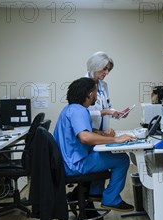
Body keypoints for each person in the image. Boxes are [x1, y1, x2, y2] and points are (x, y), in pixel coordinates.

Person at [53, 77, 135, 212]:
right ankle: (111, 199)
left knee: (103, 153)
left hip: (66, 162)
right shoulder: (79, 111)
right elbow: (85, 137)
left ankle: (95, 192)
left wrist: (102, 134)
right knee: (122, 159)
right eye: (96, 92)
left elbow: (84, 132)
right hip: (74, 165)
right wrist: (116, 139)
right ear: (90, 94)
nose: (97, 96)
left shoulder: (69, 109)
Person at [86, 51, 123, 133]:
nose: (107, 73)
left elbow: (108, 107)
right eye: (104, 68)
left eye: (108, 69)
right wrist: (104, 112)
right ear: (95, 66)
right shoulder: (82, 85)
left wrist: (115, 113)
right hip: (89, 132)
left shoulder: (104, 85)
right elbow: (79, 114)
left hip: (103, 133)